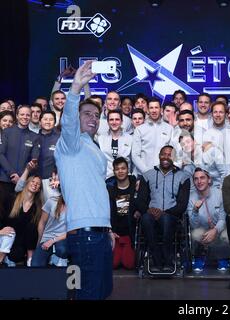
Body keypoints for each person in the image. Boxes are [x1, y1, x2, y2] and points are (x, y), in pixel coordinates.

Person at [54, 61, 114, 300]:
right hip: (83, 236)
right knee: (86, 294)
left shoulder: (92, 147)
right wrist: (76, 87)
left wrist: (108, 229)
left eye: (97, 115)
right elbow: (68, 121)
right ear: (77, 117)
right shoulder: (70, 144)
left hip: (100, 233)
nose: (93, 118)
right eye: (87, 114)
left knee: (101, 292)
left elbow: (95, 190)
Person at [141, 146, 190, 273]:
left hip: (171, 215)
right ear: (159, 155)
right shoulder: (147, 175)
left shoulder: (183, 177)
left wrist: (165, 212)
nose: (166, 157)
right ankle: (156, 259)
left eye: (170, 155)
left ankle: (168, 260)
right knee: (145, 219)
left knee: (166, 220)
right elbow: (141, 200)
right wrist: (150, 210)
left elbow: (182, 204)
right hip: (151, 213)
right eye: (164, 154)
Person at [108, 157, 149, 270]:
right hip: (115, 234)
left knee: (129, 264)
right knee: (113, 264)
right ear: (114, 171)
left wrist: (138, 211)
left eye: (123, 168)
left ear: (128, 169)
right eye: (117, 169)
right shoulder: (110, 189)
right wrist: (110, 231)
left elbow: (144, 205)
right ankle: (119, 251)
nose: (120, 171)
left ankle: (125, 250)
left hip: (130, 234)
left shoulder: (136, 186)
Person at [0, 104, 40, 217]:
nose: (25, 117)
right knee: (2, 214)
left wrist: (22, 177)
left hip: (22, 183)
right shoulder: (7, 132)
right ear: (17, 116)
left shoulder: (34, 137)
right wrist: (12, 173)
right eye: (22, 114)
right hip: (4, 180)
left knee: (16, 215)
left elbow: (34, 160)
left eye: (28, 115)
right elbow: (1, 154)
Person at [187, 168, 230, 272]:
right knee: (195, 233)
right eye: (196, 179)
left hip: (218, 229)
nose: (199, 181)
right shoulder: (190, 198)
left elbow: (222, 219)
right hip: (202, 230)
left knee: (227, 234)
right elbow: (193, 225)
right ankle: (199, 258)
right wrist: (195, 210)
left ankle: (222, 258)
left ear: (209, 180)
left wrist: (215, 230)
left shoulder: (219, 194)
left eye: (202, 178)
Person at [4, 175, 42, 266]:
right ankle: (6, 255)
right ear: (27, 183)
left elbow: (38, 228)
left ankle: (30, 258)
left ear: (39, 189)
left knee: (32, 226)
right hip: (10, 237)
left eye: (38, 184)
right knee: (16, 256)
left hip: (26, 239)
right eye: (33, 181)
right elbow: (3, 219)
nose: (35, 184)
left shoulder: (38, 206)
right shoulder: (13, 199)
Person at [131, 97, 174, 176]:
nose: (154, 110)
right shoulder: (139, 129)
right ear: (147, 110)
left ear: (161, 110)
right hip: (143, 174)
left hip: (163, 174)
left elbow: (172, 153)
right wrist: (147, 172)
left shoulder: (169, 129)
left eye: (156, 107)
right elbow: (135, 155)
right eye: (151, 108)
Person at [31, 193, 68, 267]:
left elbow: (73, 231)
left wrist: (53, 240)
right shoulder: (52, 201)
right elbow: (42, 222)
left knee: (61, 249)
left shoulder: (75, 204)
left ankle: (58, 258)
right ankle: (52, 257)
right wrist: (40, 241)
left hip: (64, 238)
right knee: (35, 265)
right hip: (47, 238)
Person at [98, 110, 133, 179]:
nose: (114, 122)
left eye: (117, 119)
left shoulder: (130, 139)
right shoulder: (100, 139)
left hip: (126, 179)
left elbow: (134, 161)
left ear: (121, 122)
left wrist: (134, 177)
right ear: (108, 122)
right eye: (111, 120)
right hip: (106, 179)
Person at [37, 110, 60, 203]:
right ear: (40, 121)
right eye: (45, 119)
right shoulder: (33, 137)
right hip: (34, 180)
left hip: (51, 180)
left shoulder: (59, 138)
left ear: (55, 122)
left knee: (52, 211)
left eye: (51, 119)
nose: (48, 122)